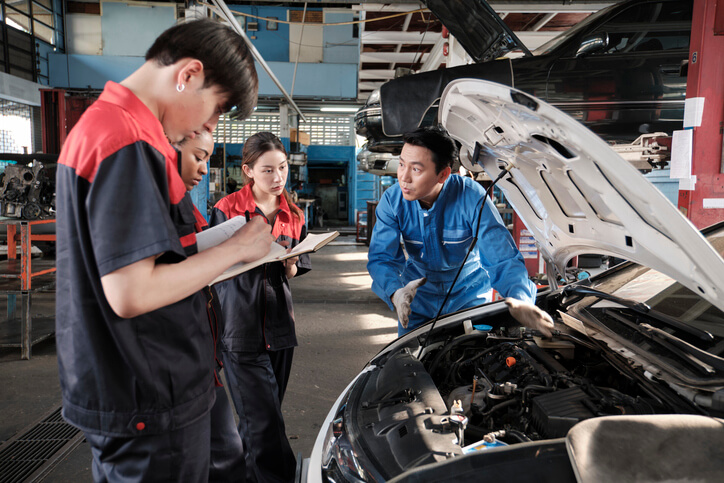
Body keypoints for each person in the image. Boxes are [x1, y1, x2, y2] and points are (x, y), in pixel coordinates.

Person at [55, 19, 275, 481]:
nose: (206, 126)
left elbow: (153, 256)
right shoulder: (126, 139)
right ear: (189, 75)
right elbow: (130, 292)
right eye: (215, 110)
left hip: (142, 387)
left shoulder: (117, 130)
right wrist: (236, 246)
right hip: (147, 392)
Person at [367, 126, 554, 337]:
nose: (404, 177)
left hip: (469, 300)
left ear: (443, 174)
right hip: (417, 302)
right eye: (402, 165)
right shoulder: (392, 201)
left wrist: (521, 299)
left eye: (416, 169)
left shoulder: (471, 197)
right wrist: (396, 292)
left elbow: (503, 257)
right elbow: (382, 258)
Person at [210, 132, 311, 483]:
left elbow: (298, 265)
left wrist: (290, 264)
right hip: (239, 328)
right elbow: (209, 263)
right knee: (263, 422)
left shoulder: (294, 213)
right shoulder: (226, 210)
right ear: (248, 171)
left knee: (262, 420)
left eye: (282, 168)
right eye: (268, 170)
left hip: (280, 328)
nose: (278, 177)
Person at [174, 131, 245, 481]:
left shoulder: (185, 204)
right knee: (222, 453)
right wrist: (235, 248)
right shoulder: (156, 207)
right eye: (198, 157)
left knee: (226, 454)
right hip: (181, 360)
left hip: (205, 353)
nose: (204, 168)